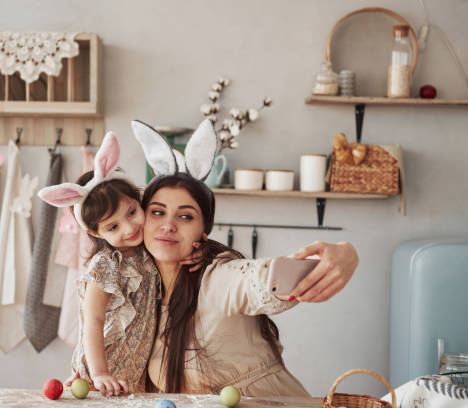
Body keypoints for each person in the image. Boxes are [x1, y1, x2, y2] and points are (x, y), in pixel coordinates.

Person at [131, 118, 359, 396]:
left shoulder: (219, 279)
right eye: (157, 212)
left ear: (203, 232)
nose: (168, 225)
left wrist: (344, 254)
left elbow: (260, 279)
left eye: (185, 216)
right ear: (143, 219)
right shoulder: (141, 292)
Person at [38, 132, 159, 396]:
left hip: (132, 376)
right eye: (113, 226)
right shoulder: (106, 264)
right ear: (95, 233)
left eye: (132, 212)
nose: (129, 228)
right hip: (99, 376)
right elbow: (92, 318)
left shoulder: (149, 253)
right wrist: (99, 371)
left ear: (139, 201)